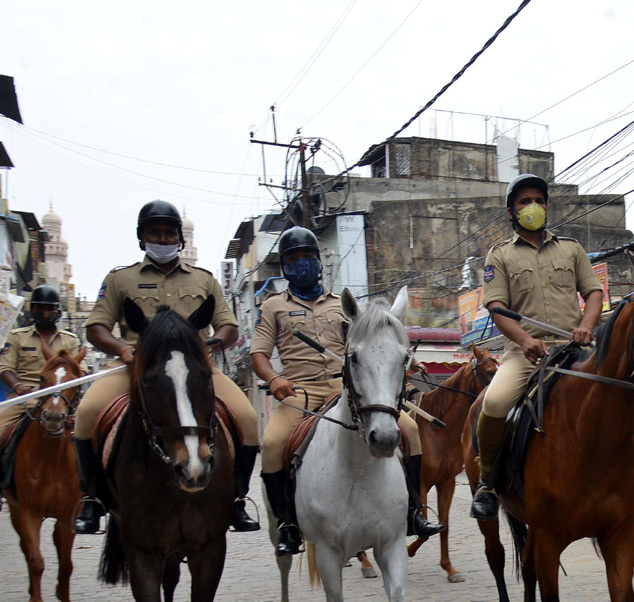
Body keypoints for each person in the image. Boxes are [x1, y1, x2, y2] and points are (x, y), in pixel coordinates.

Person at [251, 226, 442, 557]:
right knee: (270, 445)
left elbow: (374, 350)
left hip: (345, 388)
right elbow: (258, 354)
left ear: (318, 261)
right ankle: (287, 526)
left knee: (409, 429)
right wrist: (274, 379)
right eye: (293, 259)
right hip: (299, 391)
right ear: (284, 265)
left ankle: (414, 512)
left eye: (307, 257)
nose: (302, 264)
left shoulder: (345, 304)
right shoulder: (272, 306)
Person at [72, 200, 261, 535]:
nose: (162, 238)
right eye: (154, 233)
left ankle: (236, 501)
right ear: (142, 238)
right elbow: (96, 328)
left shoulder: (204, 280)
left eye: (169, 232)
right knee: (86, 414)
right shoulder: (120, 279)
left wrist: (209, 345)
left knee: (247, 419)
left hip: (193, 368)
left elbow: (228, 327)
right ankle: (92, 500)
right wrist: (122, 349)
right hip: (137, 368)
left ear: (180, 238)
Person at [469, 173, 604, 521]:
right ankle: (487, 482)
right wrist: (526, 340)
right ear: (512, 212)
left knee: (621, 395)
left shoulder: (572, 248)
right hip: (525, 353)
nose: (534, 207)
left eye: (539, 201)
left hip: (574, 349)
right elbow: (497, 309)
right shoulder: (498, 256)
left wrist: (586, 326)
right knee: (495, 403)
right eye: (525, 201)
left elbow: (593, 293)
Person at [0, 286, 82, 490]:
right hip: (25, 397)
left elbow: (78, 372)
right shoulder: (17, 337)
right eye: (38, 307)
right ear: (31, 309)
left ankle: (89, 489)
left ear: (57, 311)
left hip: (62, 399)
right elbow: (5, 366)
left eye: (49, 308)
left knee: (88, 432)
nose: (44, 312)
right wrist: (17, 386)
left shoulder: (70, 341)